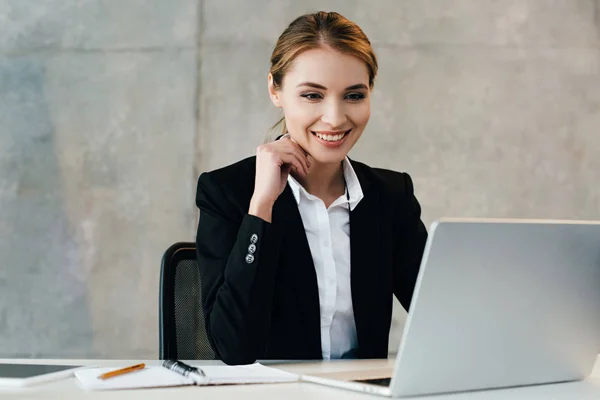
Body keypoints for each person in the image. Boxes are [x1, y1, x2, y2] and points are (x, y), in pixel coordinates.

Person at [195, 11, 428, 365]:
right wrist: (261, 207)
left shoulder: (391, 196)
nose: (334, 118)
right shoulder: (227, 192)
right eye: (312, 96)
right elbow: (233, 347)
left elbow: (440, 315)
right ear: (276, 90)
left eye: (353, 95)